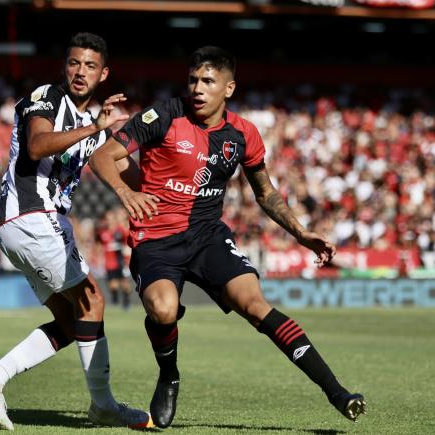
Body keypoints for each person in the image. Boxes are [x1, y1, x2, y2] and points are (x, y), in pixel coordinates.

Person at [89, 46, 366, 428]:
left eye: (208, 81)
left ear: (229, 88)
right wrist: (127, 193)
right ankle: (169, 375)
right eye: (193, 80)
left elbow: (265, 193)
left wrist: (302, 233)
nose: (198, 88)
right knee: (163, 309)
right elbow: (103, 156)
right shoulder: (163, 116)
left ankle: (338, 392)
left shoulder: (243, 134)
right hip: (156, 238)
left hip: (207, 237)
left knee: (255, 305)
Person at [0, 32, 153, 430]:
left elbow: (121, 166)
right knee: (93, 302)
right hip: (30, 216)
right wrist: (94, 130)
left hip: (31, 224)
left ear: (104, 74)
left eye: (89, 66)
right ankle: (103, 406)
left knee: (72, 322)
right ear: (64, 67)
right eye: (73, 63)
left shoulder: (90, 122)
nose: (80, 71)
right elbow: (36, 146)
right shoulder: (47, 96)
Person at [97, 209, 132, 309]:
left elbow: (127, 242)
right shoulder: (102, 232)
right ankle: (115, 301)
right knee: (113, 285)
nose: (110, 221)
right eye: (108, 219)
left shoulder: (120, 231)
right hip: (109, 262)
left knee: (124, 283)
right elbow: (99, 245)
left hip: (121, 261)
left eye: (112, 218)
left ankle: (126, 302)